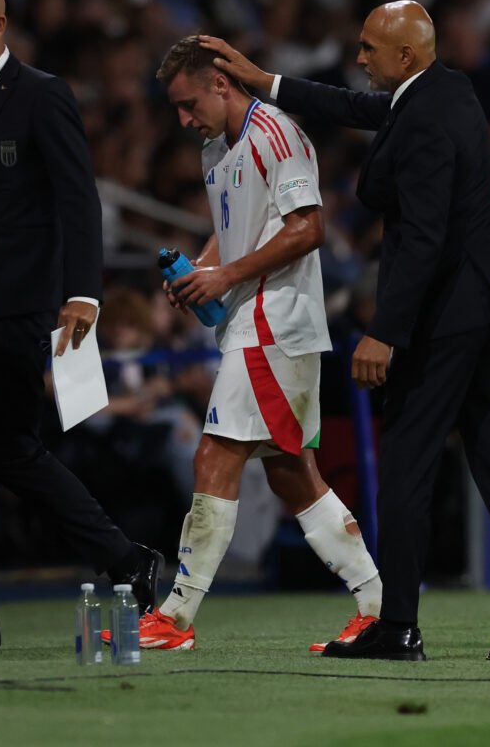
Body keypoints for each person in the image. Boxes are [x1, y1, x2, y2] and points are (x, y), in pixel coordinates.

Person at [200, 1, 490, 663]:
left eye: (371, 48)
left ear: (405, 56)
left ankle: (398, 625)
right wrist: (269, 82)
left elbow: (427, 235)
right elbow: (358, 107)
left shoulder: (425, 117)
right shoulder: (442, 90)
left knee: (406, 461)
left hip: (449, 311)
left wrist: (385, 331)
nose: (360, 57)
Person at [139, 36, 383, 652]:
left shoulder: (277, 133)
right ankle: (377, 605)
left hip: (277, 321)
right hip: (253, 320)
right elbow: (235, 230)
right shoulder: (216, 148)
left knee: (214, 455)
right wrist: (202, 269)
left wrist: (225, 275)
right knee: (293, 476)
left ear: (222, 84)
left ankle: (175, 616)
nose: (184, 119)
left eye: (189, 103)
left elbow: (308, 228)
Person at [0, 0, 162, 608]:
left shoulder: (40, 95)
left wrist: (84, 294)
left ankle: (123, 556)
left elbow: (77, 199)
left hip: (15, 309)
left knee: (10, 452)